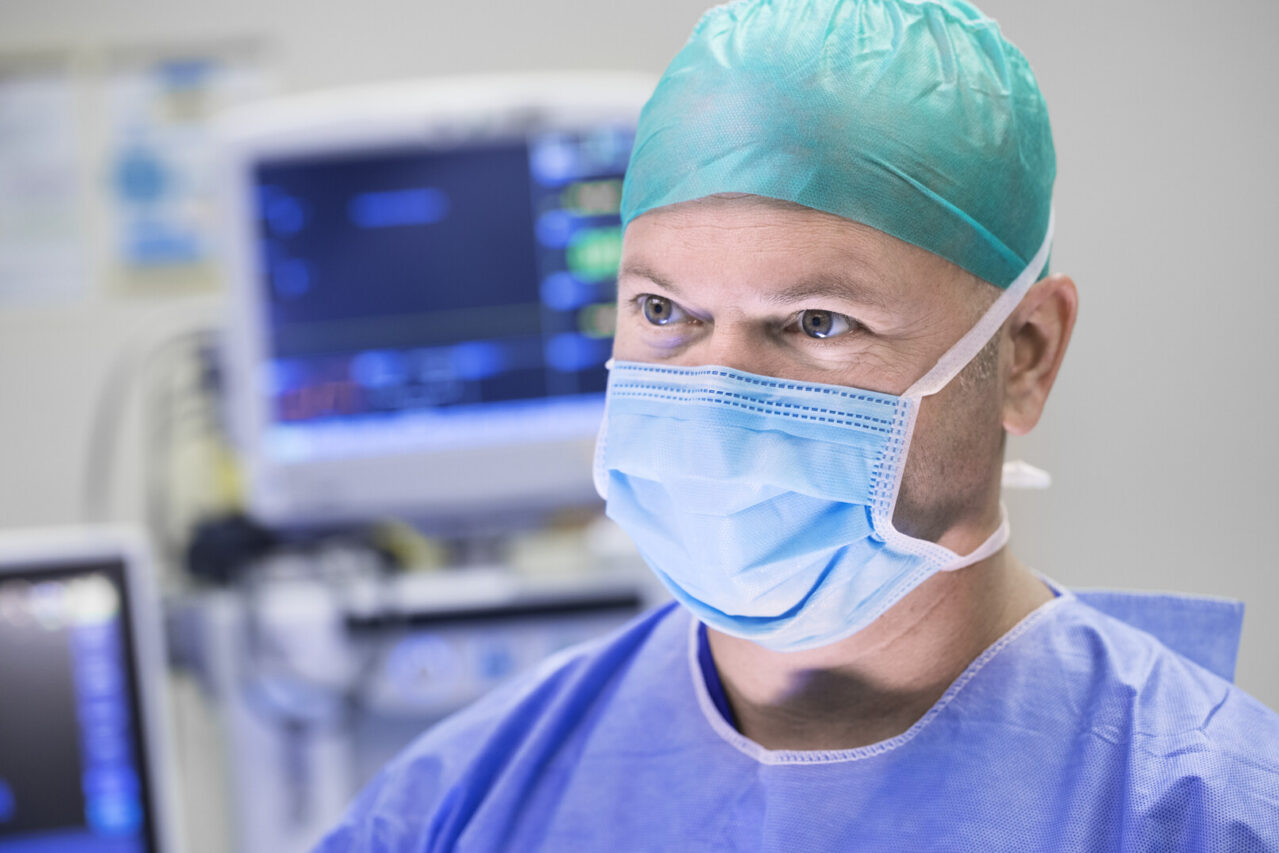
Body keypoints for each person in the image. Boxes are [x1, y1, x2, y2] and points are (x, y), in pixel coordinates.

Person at [318, 0, 1279, 849]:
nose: (716, 399)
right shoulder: (462, 801)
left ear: (1023, 353)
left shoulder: (1202, 811)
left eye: (818, 322)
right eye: (664, 311)